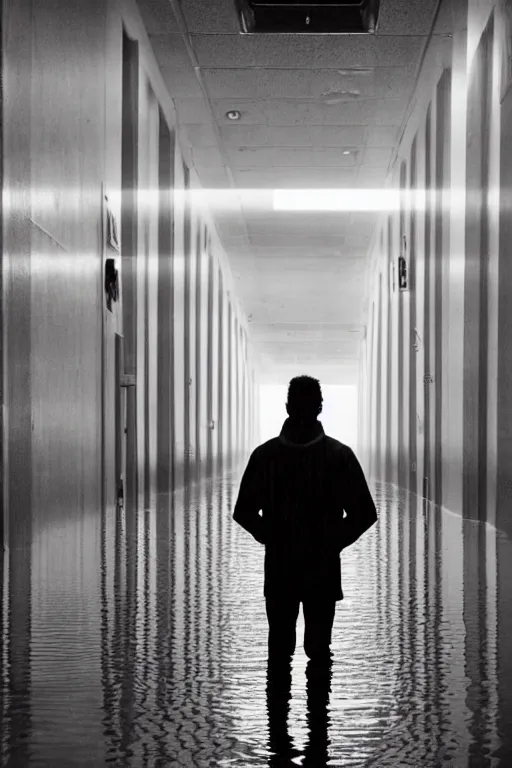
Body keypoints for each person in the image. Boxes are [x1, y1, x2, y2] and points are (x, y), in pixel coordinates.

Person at [232, 375, 378, 754]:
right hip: (321, 570)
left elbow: (243, 512)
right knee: (319, 651)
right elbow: (364, 513)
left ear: (286, 408)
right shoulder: (339, 456)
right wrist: (332, 543)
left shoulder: (266, 456)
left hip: (280, 569)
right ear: (319, 408)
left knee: (279, 652)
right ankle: (318, 743)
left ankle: (278, 743)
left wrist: (272, 537)